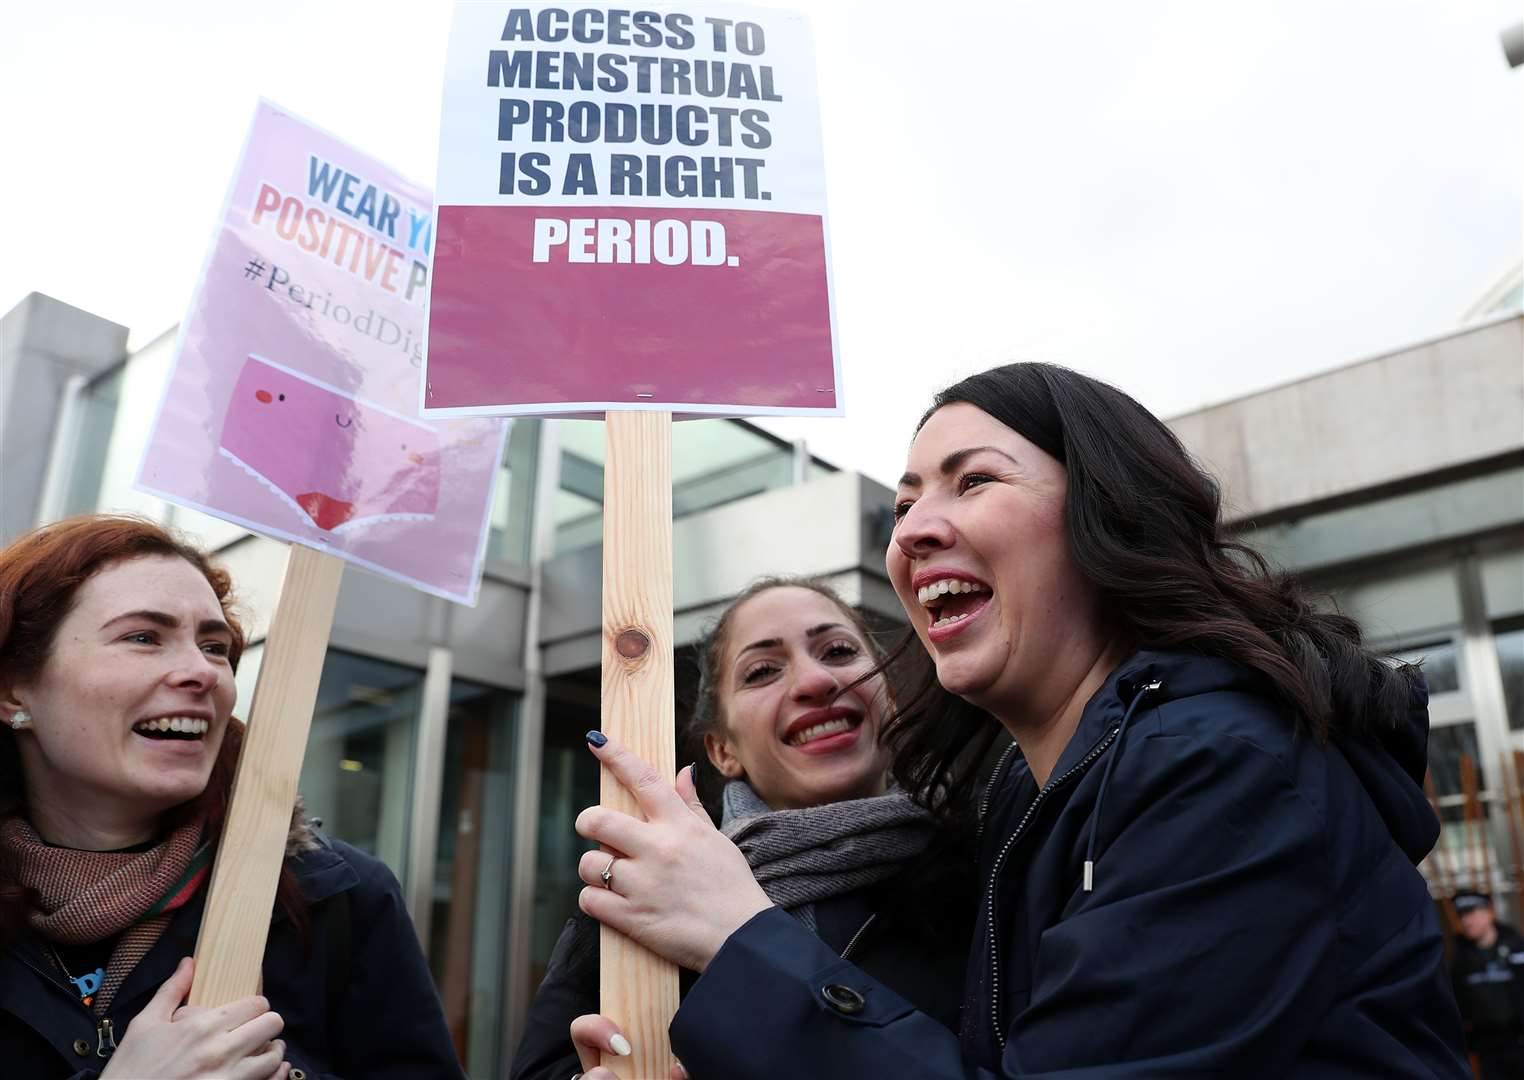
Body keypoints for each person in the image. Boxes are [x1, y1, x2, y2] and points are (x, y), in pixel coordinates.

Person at [569, 362, 1471, 1078]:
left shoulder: (1223, 768)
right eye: (907, 501)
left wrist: (738, 937)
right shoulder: (1021, 810)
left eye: (972, 482)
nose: (914, 528)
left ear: (1104, 511)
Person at [0, 515, 464, 1079]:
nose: (203, 672)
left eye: (215, 647)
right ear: (12, 689)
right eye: (143, 637)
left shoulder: (333, 899)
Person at [510, 578, 973, 1080]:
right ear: (722, 751)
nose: (814, 682)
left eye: (838, 651)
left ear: (891, 698)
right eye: (763, 671)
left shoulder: (988, 867)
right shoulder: (638, 889)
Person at [1450, 890, 1524, 1078]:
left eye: (1472, 913)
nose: (1467, 921)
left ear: (1489, 912)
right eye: (1461, 915)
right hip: (1488, 1050)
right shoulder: (1459, 958)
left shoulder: (1517, 947)